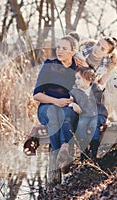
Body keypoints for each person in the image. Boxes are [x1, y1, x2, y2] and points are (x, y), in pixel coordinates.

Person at [33, 34, 80, 170]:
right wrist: (56, 101)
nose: (59, 51)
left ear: (73, 51)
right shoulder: (50, 65)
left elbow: (84, 90)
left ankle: (65, 148)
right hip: (47, 105)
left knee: (66, 117)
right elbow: (37, 94)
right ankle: (61, 158)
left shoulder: (77, 68)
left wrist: (75, 102)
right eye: (58, 47)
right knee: (53, 115)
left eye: (64, 48)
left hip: (69, 105)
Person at [69, 67, 108, 161]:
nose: (76, 81)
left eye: (79, 78)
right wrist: (72, 103)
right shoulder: (75, 90)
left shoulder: (96, 89)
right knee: (81, 124)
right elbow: (70, 99)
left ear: (88, 80)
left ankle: (94, 149)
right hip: (85, 115)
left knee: (94, 124)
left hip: (98, 113)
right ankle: (84, 149)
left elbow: (93, 104)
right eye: (76, 78)